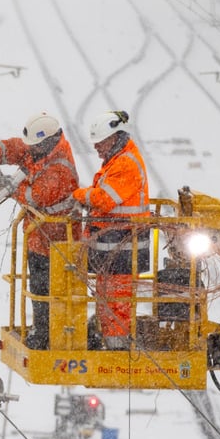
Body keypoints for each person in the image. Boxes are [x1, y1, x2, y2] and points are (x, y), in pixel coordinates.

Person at [0, 112, 79, 349]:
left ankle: (48, 335)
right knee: (39, 291)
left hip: (58, 244)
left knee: (50, 294)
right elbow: (14, 148)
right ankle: (42, 331)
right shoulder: (40, 150)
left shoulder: (60, 167)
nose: (30, 150)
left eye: (34, 146)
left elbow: (34, 196)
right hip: (39, 239)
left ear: (48, 141)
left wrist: (5, 184)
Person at [72, 110, 150, 350]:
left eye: (100, 143)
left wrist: (79, 194)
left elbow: (104, 199)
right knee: (108, 297)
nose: (96, 149)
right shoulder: (117, 160)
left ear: (114, 138)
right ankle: (111, 338)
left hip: (123, 246)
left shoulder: (125, 163)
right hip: (114, 246)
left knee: (116, 299)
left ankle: (117, 346)